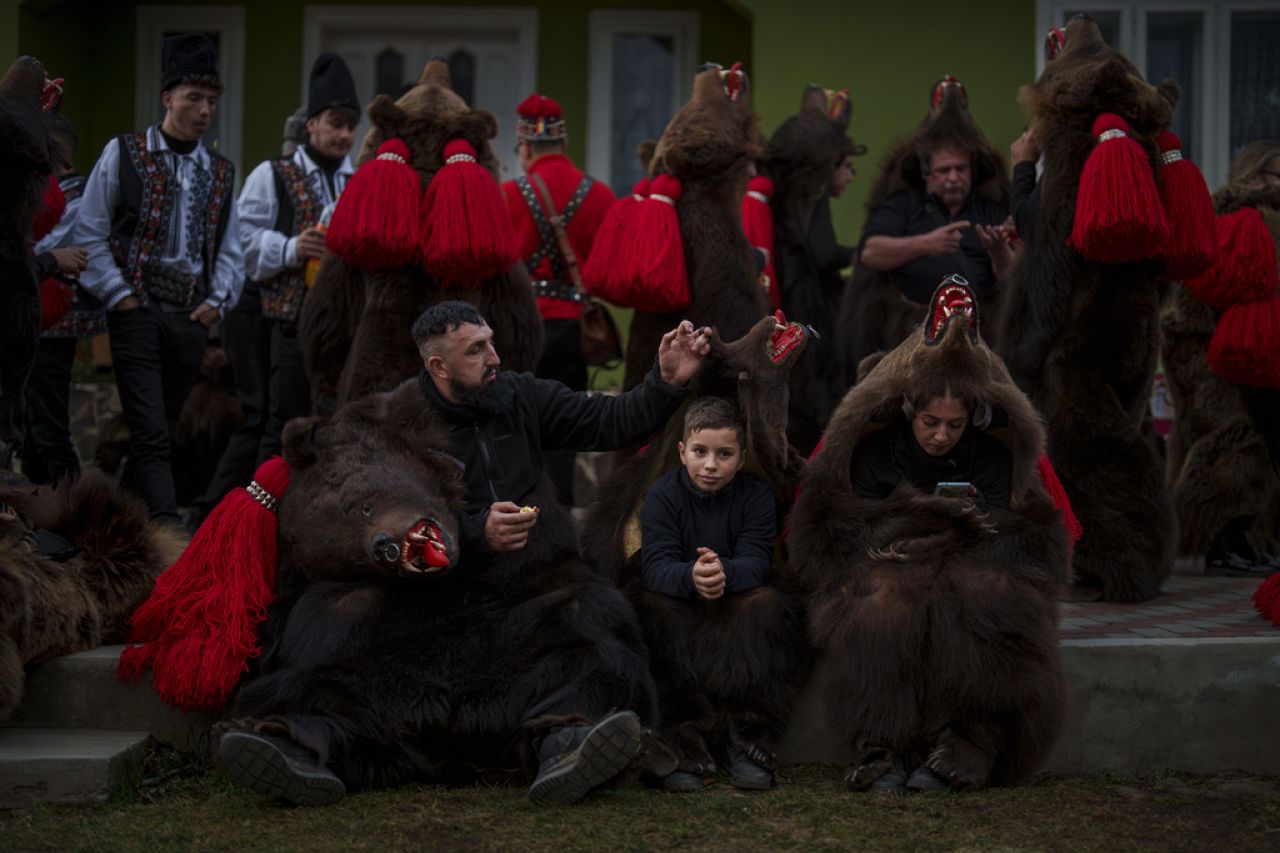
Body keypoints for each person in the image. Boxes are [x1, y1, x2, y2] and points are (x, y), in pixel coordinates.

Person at [74, 33, 243, 525]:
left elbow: (230, 247)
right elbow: (90, 229)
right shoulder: (124, 153)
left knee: (162, 428)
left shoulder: (220, 171)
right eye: (194, 98)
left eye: (211, 100)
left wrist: (217, 301)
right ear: (168, 98)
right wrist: (121, 296)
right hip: (137, 312)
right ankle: (169, 531)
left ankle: (115, 521)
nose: (204, 110)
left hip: (190, 316)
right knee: (149, 431)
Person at [188, 53, 357, 530]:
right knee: (272, 420)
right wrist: (290, 246)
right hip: (274, 317)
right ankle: (225, 517)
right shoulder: (273, 174)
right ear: (312, 125)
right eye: (335, 124)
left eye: (350, 127)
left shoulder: (354, 181)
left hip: (329, 327)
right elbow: (240, 241)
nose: (343, 135)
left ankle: (283, 515)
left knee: (304, 419)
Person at [415, 300, 708, 554]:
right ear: (439, 366)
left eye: (490, 342)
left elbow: (607, 421)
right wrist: (477, 532)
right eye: (475, 350)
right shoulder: (402, 424)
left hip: (540, 569)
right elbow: (397, 524)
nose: (495, 358)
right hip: (456, 580)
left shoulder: (521, 394)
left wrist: (665, 380)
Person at [637, 396, 783, 791]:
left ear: (742, 456)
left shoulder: (755, 496)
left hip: (735, 599)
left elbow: (757, 560)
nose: (711, 465)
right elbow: (654, 564)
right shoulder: (663, 496)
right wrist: (691, 576)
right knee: (648, 607)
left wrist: (723, 572)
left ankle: (747, 734)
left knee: (768, 603)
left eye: (724, 454)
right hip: (678, 600)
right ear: (683, 452)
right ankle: (681, 739)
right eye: (700, 452)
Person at [1162, 140, 1280, 576]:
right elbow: (1192, 300)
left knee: (1256, 451)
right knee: (1234, 448)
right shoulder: (1240, 222)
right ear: (1254, 178)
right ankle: (1229, 544)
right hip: (1220, 361)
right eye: (1277, 177)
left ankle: (1251, 543)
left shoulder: (1226, 220)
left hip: (1252, 362)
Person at [501, 93, 617, 505]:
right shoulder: (601, 195)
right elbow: (608, 272)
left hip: (520, 327)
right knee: (564, 428)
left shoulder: (508, 194)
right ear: (563, 145)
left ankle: (521, 513)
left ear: (526, 147)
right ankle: (560, 515)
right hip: (573, 327)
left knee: (519, 423)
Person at [857, 78, 1012, 306]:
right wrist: (926, 244)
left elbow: (1013, 280)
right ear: (927, 174)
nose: (953, 178)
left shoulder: (990, 212)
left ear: (972, 170)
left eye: (960, 169)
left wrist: (999, 252)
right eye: (944, 170)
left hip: (979, 328)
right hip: (915, 329)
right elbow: (870, 252)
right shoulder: (904, 205)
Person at [21, 111, 98, 484]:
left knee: (49, 424)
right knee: (32, 424)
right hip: (33, 321)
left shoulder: (78, 198)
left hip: (56, 323)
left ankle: (70, 513)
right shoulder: (40, 193)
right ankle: (40, 507)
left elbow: (39, 248)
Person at [850, 388, 1012, 511]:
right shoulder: (873, 457)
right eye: (930, 422)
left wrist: (978, 512)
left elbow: (1001, 532)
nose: (941, 436)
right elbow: (863, 530)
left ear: (971, 419)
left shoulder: (993, 460)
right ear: (910, 413)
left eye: (955, 425)